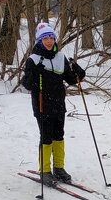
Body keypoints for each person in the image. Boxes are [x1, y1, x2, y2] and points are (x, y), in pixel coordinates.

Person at [22, 22, 85, 185]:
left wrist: (79, 74)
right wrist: (34, 75)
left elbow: (70, 79)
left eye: (51, 38)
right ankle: (45, 171)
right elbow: (27, 85)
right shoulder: (33, 60)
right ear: (39, 41)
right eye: (45, 38)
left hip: (58, 104)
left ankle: (59, 168)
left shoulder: (60, 57)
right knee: (46, 137)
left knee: (59, 136)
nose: (49, 41)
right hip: (42, 105)